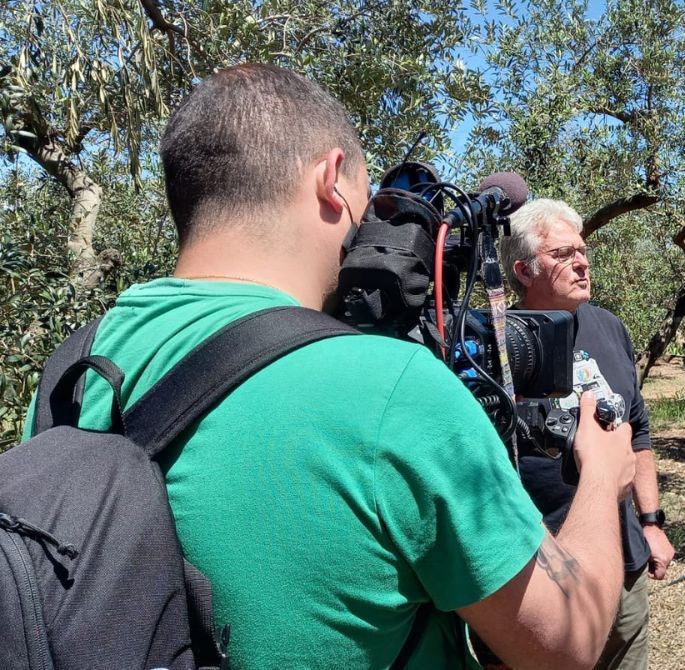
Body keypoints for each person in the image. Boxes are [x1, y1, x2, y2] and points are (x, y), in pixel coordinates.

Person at [27, 64, 637, 670]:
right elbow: (566, 643)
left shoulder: (72, 371)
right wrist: (603, 475)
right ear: (331, 181)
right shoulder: (392, 387)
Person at [493, 198, 675, 670]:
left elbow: (638, 432)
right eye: (562, 254)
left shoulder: (610, 327)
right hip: (541, 568)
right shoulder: (497, 345)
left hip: (623, 561)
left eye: (582, 249)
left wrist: (651, 523)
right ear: (524, 270)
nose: (581, 261)